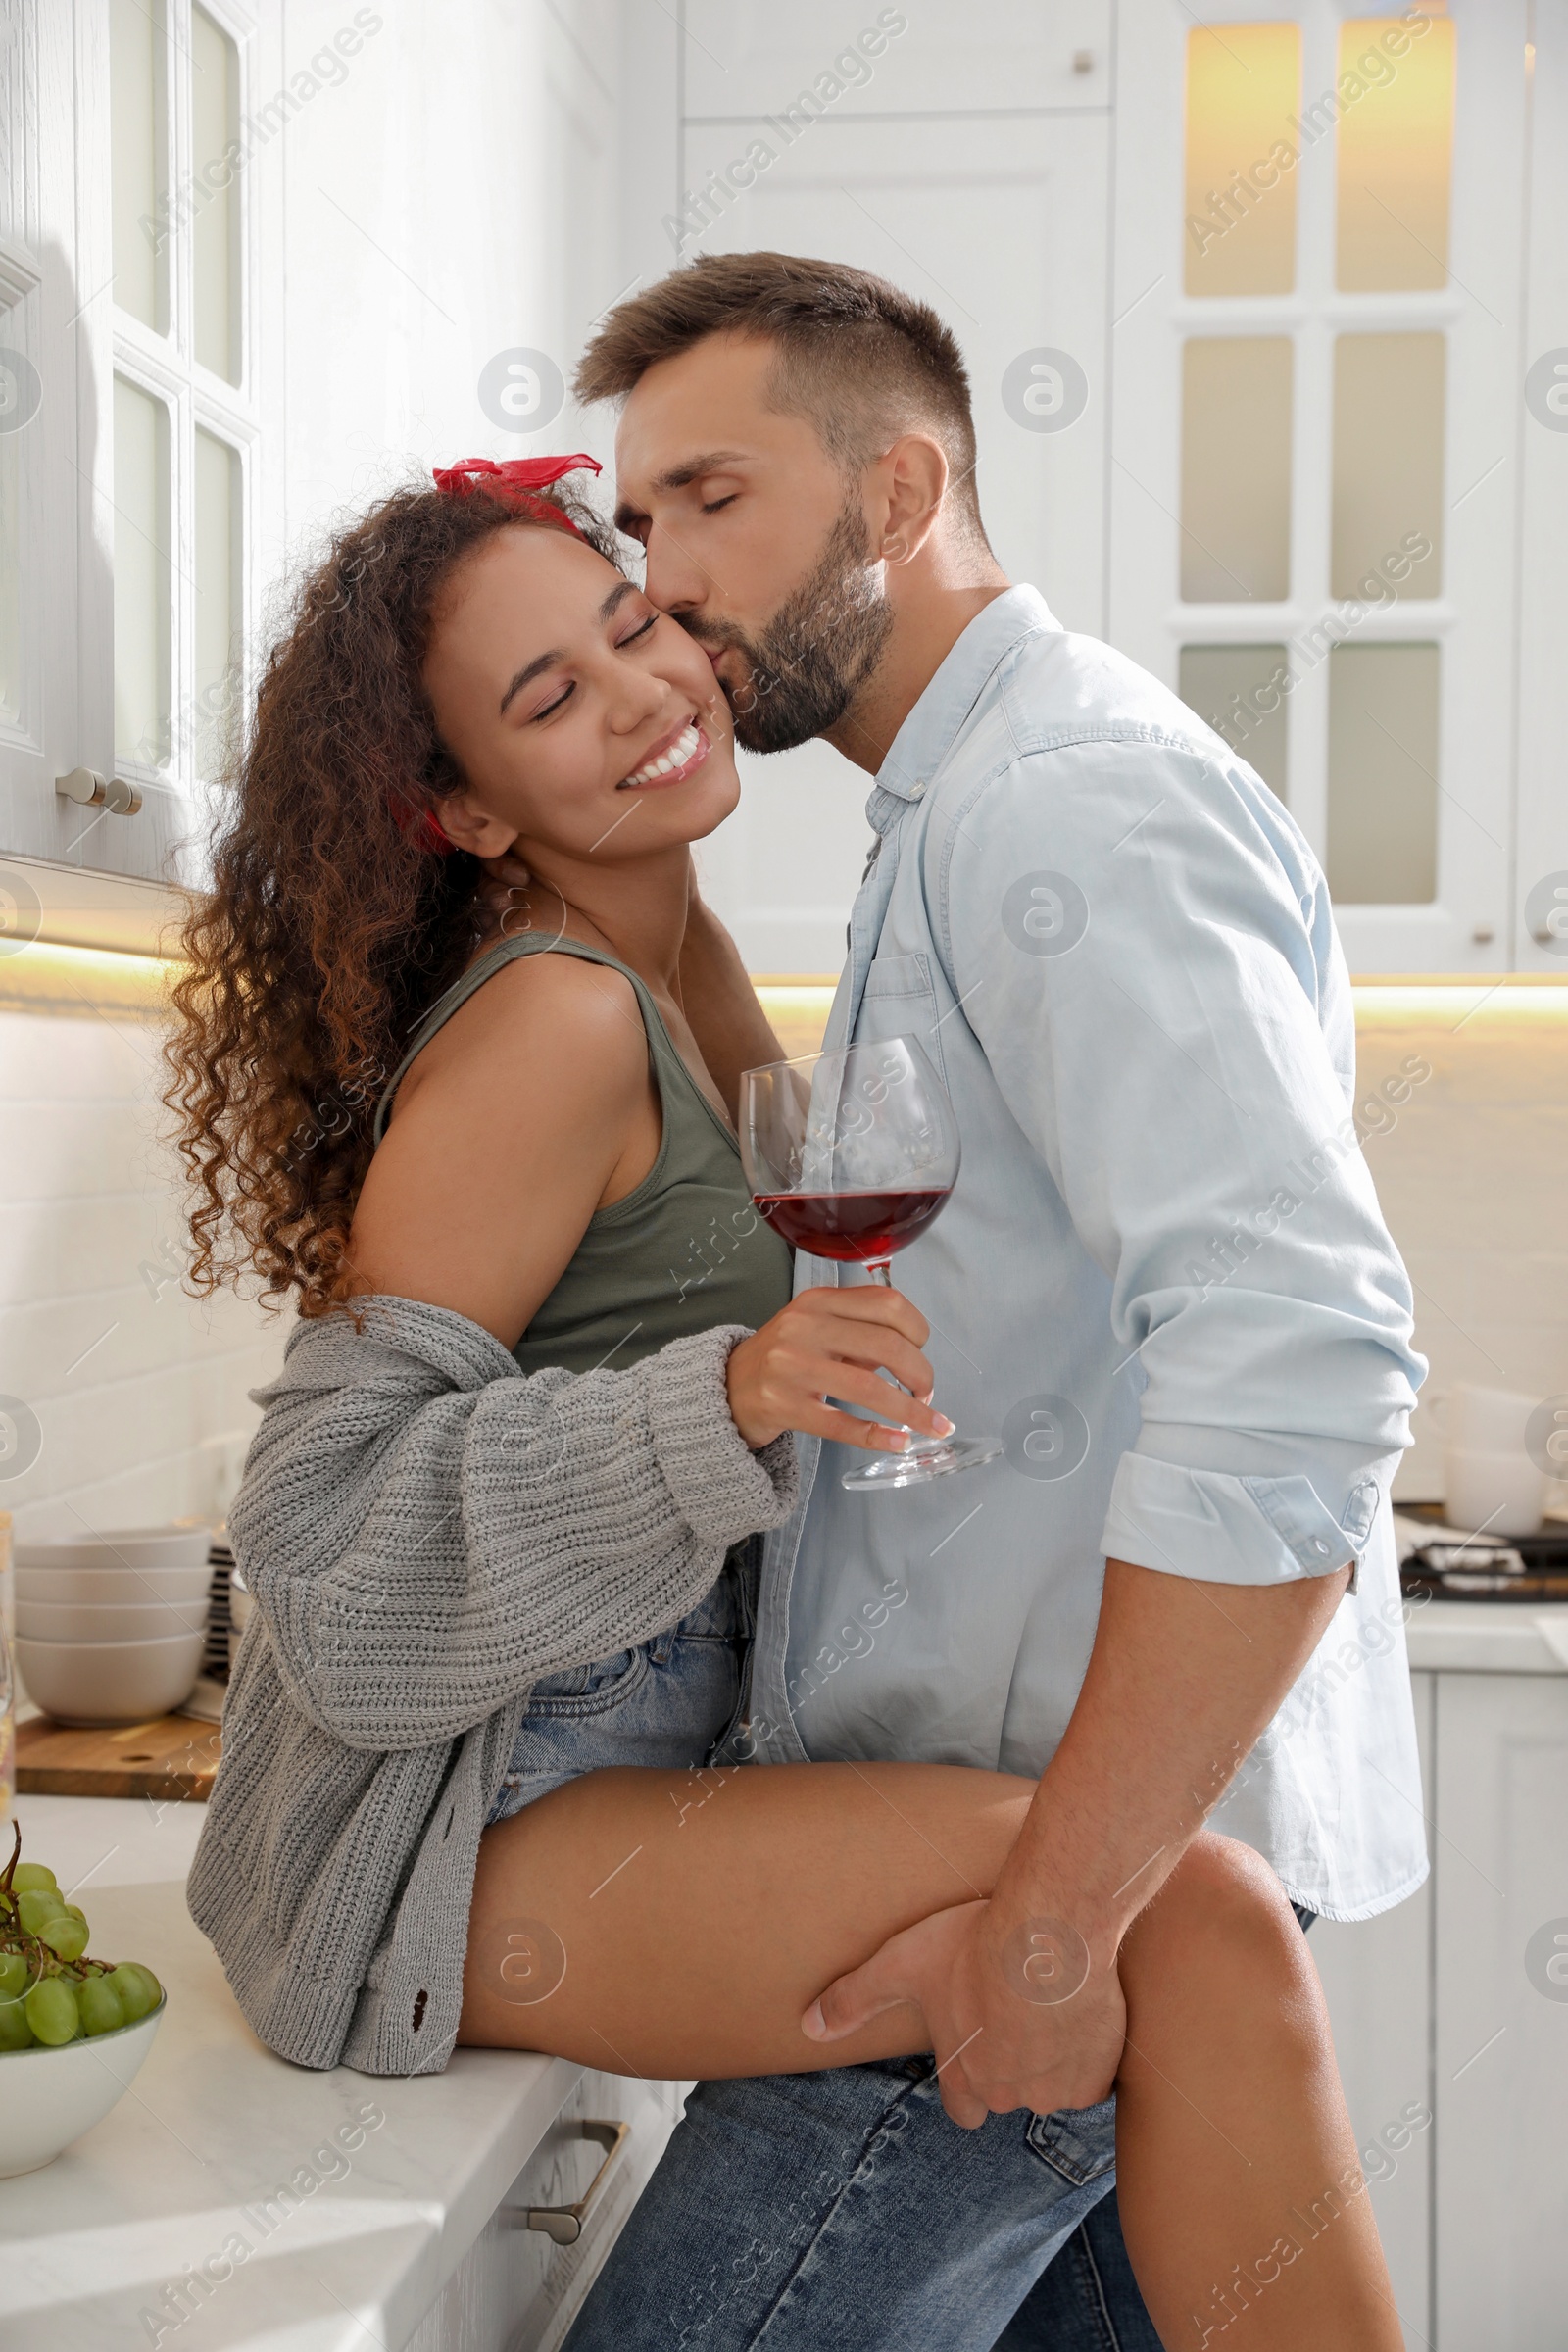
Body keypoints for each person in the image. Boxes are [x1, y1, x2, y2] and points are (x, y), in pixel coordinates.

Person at [170, 456, 1404, 2352]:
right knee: (1193, 1914)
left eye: (633, 624)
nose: (645, 691)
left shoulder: (695, 973)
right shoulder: (555, 1022)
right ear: (458, 809)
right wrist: (728, 1398)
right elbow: (321, 1547)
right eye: (549, 700)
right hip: (455, 1831)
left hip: (634, 1776)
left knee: (1170, 1913)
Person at [550, 253, 1431, 2352]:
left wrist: (1048, 1930)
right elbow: (885, 1197)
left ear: (890, 491)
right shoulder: (960, 795)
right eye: (637, 523)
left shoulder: (1063, 799)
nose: (661, 579)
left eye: (709, 500)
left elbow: (1297, 1359)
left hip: (1036, 1879)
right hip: (1041, 1857)